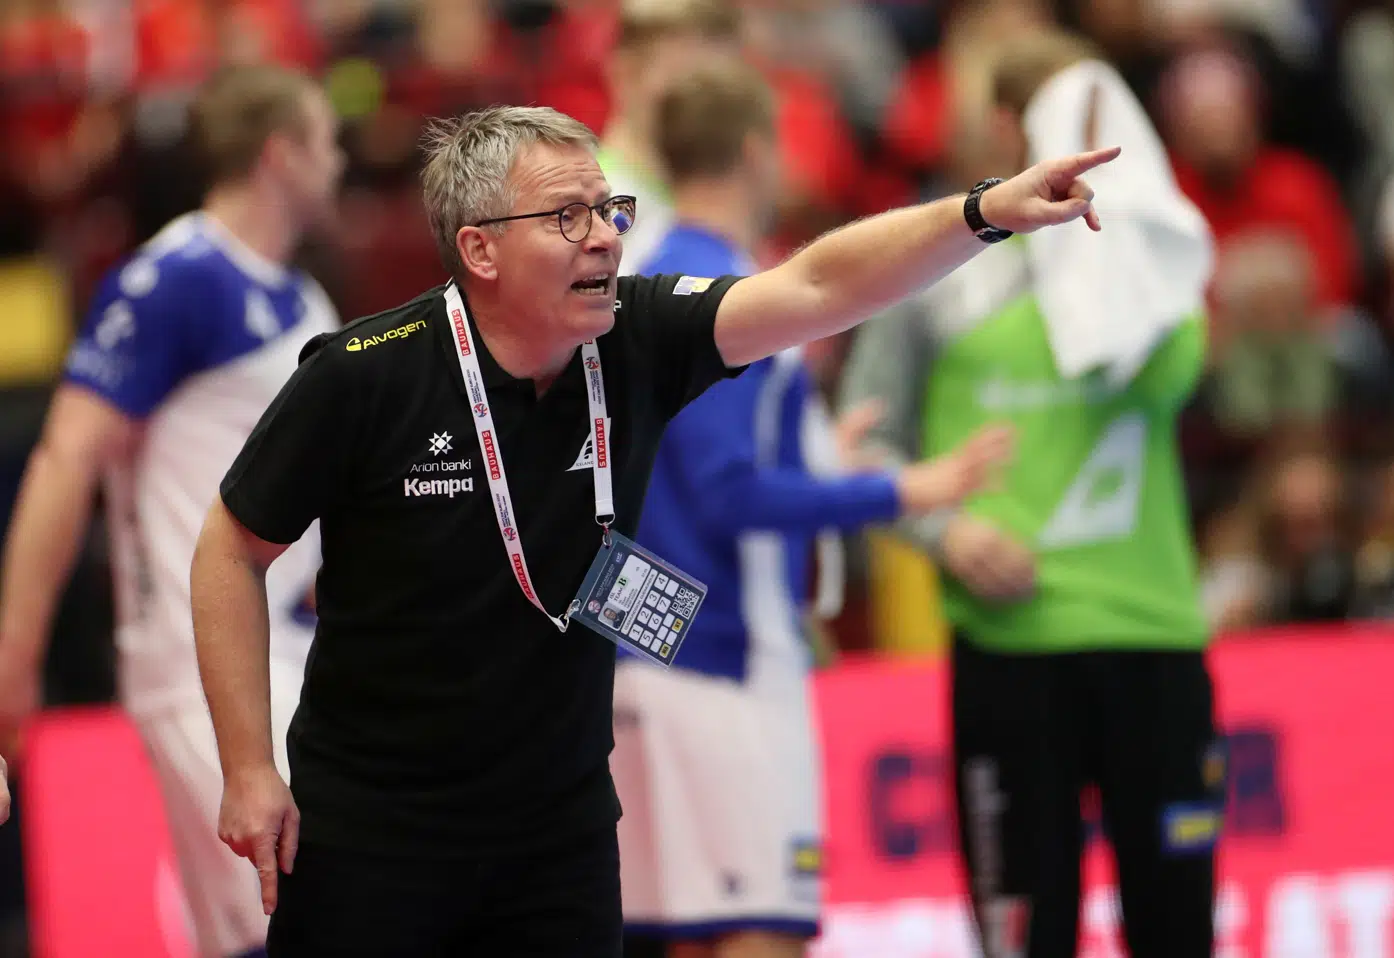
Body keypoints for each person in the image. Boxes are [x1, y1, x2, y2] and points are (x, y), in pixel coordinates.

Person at [189, 99, 1118, 956]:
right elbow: (230, 549)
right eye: (568, 217)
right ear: (479, 250)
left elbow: (819, 285)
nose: (605, 239)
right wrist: (246, 766)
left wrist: (985, 210)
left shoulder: (635, 335)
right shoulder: (363, 375)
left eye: (610, 209)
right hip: (371, 833)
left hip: (559, 837)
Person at [612, 62, 1008, 958]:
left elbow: (679, 464)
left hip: (652, 641)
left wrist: (817, 453)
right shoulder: (724, 289)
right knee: (763, 930)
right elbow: (726, 492)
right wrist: (903, 489)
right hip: (722, 659)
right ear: (760, 150)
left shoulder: (648, 272)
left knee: (682, 930)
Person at [839, 29, 1219, 958]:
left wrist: (1130, 220)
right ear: (1006, 124)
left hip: (1152, 637)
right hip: (1009, 650)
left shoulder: (1154, 264)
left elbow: (1181, 371)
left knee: (1177, 933)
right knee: (1020, 937)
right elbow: (857, 439)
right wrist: (943, 532)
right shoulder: (933, 266)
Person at [0, 64, 344, 958]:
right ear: (281, 155)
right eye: (327, 141)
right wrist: (12, 657)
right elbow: (65, 457)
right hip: (203, 662)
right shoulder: (176, 280)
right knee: (296, 920)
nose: (343, 161)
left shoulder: (304, 298)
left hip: (302, 649)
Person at [599, 0, 743, 273]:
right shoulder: (602, 202)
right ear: (625, 76)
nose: (710, 107)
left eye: (722, 89)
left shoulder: (714, 198)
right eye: (687, 84)